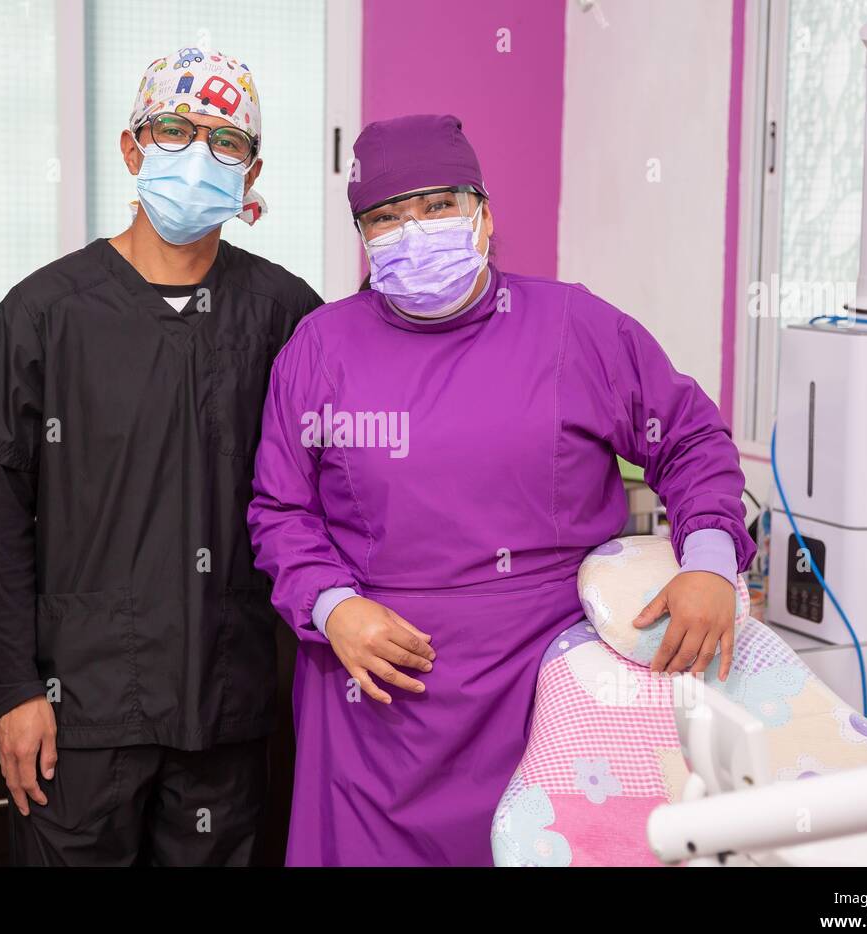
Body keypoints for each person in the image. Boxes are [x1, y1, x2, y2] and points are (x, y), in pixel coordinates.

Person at [247, 114, 754, 866]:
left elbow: (689, 439)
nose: (411, 230)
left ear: (484, 213)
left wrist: (710, 559)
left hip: (551, 688)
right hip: (377, 700)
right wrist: (334, 607)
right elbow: (280, 510)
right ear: (362, 237)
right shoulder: (321, 349)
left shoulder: (572, 327)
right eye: (384, 217)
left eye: (435, 206)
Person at [0, 48, 322, 866]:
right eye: (176, 130)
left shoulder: (287, 315)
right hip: (77, 713)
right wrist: (12, 692)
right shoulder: (43, 315)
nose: (199, 154)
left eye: (226, 142)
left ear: (252, 172)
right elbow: (6, 532)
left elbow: (329, 493)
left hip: (226, 703)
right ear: (131, 148)